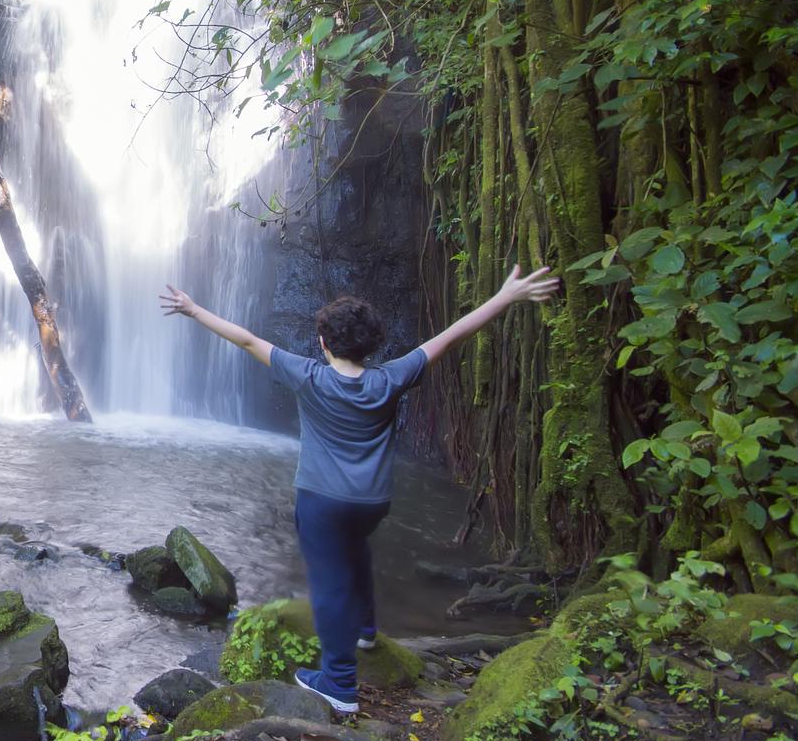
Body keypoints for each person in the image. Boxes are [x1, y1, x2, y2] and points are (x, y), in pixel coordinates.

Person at [158, 265, 559, 712]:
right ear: (373, 345)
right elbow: (451, 336)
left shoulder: (308, 377)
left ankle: (339, 684)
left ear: (324, 343)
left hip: (321, 503)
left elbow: (248, 340)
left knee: (329, 586)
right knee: (356, 551)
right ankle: (367, 630)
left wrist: (193, 310)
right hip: (371, 503)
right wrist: (505, 296)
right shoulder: (390, 379)